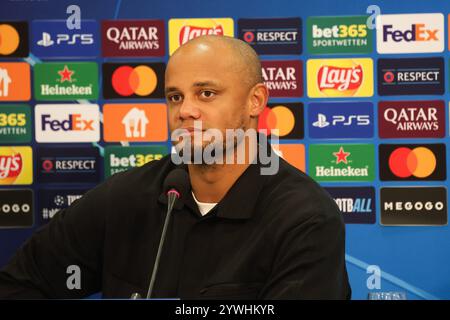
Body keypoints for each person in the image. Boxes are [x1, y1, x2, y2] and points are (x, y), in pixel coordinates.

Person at [0, 35, 351, 299]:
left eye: (206, 94)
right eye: (175, 97)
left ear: (255, 101)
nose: (185, 111)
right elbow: (19, 284)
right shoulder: (125, 197)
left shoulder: (306, 218)